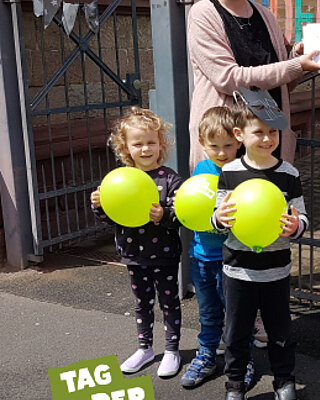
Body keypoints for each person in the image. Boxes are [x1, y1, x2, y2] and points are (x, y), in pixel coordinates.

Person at [212, 87, 308, 400]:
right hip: (238, 269)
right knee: (236, 333)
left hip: (276, 269)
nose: (267, 139)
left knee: (280, 333)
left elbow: (302, 217)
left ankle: (284, 381)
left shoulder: (289, 173)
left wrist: (296, 226)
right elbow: (218, 214)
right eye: (259, 132)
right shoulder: (229, 172)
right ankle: (235, 383)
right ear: (239, 134)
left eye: (273, 132)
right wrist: (220, 218)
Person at [90, 107, 184, 378]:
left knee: (169, 302)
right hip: (133, 254)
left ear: (160, 144)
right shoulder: (119, 180)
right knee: (142, 303)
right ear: (125, 147)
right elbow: (112, 217)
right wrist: (99, 205)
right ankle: (144, 348)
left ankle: (172, 350)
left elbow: (180, 215)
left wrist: (164, 214)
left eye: (151, 142)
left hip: (164, 254)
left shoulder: (169, 178)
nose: (145, 149)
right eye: (138, 144)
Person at [187, 0, 320, 171]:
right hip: (225, 142)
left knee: (269, 196)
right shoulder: (203, 13)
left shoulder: (265, 15)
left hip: (269, 141)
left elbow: (281, 82)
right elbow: (228, 78)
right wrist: (295, 65)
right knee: (226, 197)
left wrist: (296, 57)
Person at [180, 106, 259, 388]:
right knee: (208, 312)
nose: (222, 153)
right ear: (202, 144)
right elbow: (191, 208)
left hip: (235, 258)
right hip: (203, 256)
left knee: (238, 314)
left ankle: (242, 359)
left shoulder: (245, 172)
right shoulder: (200, 171)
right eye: (214, 146)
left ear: (239, 140)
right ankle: (206, 355)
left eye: (228, 145)